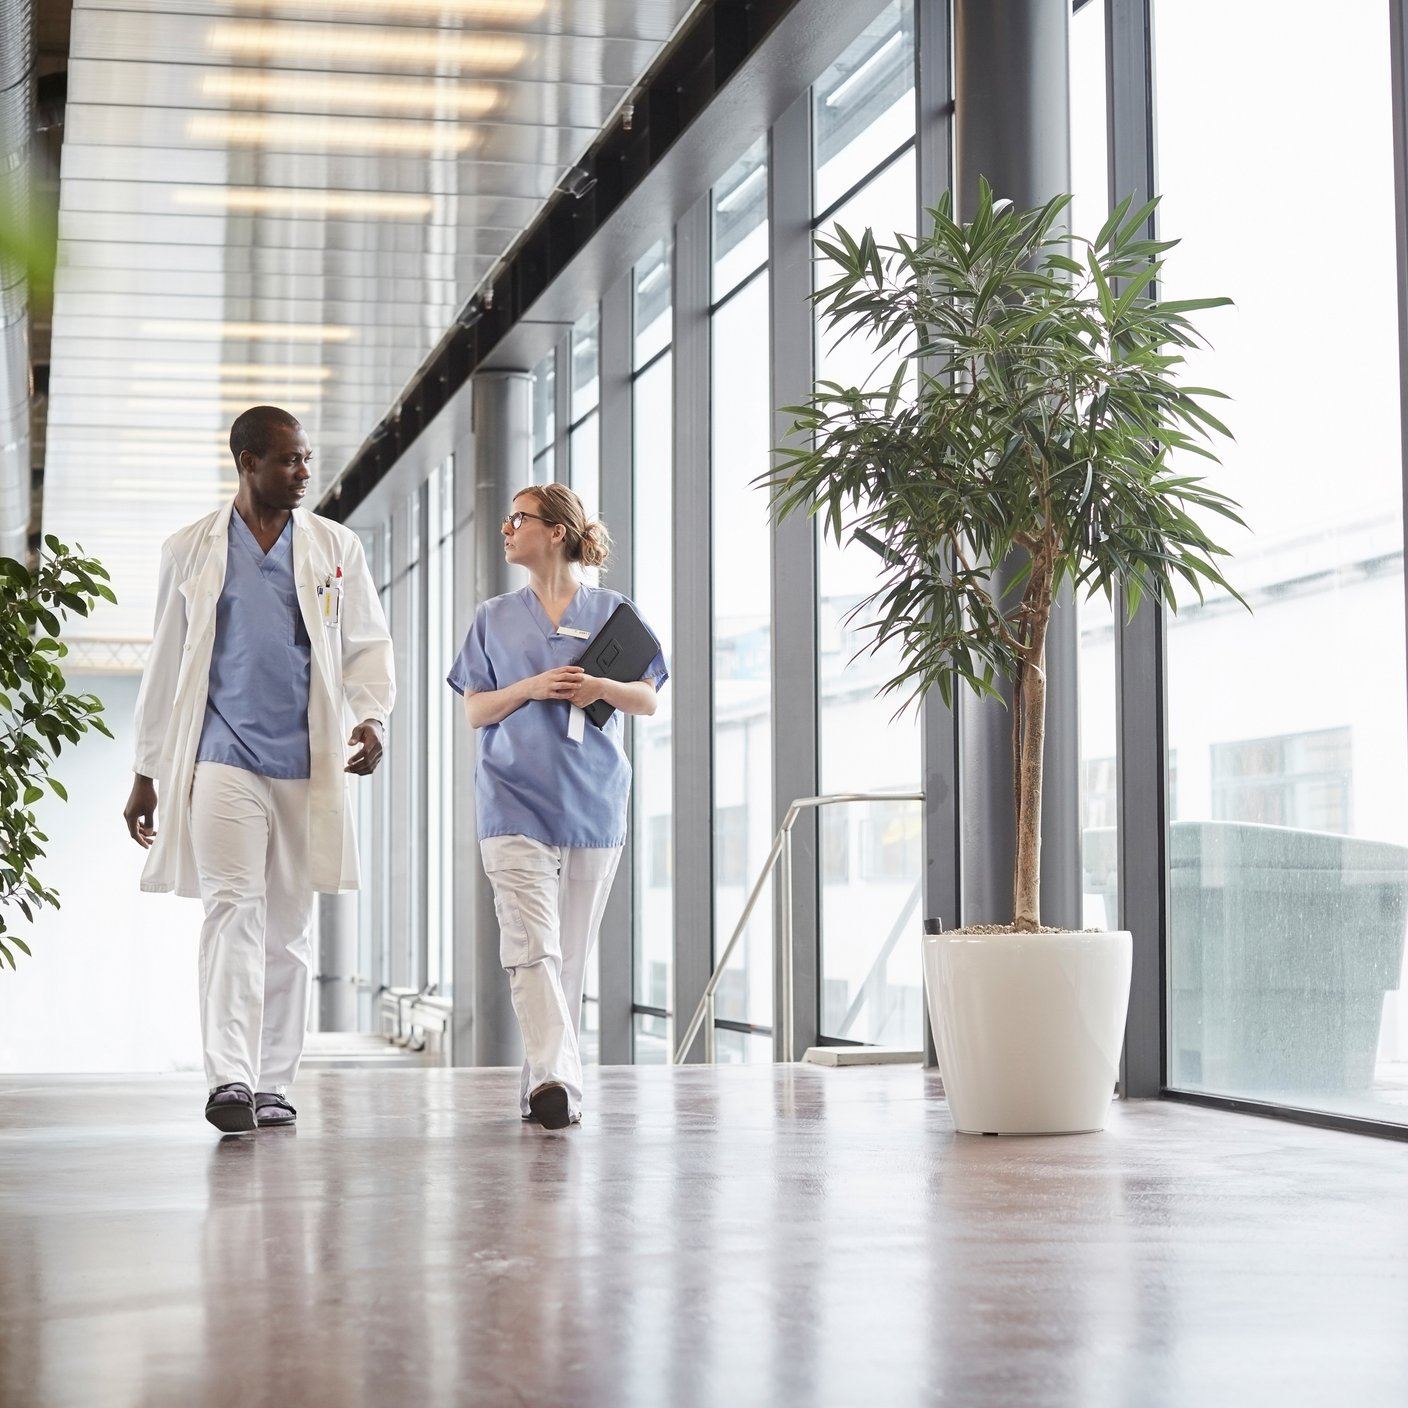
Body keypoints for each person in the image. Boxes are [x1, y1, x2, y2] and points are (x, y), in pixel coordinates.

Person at [122, 406, 395, 1133]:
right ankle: (231, 1079)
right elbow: (166, 662)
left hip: (307, 759)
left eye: (306, 459)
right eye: (288, 460)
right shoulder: (190, 549)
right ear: (246, 462)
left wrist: (372, 718)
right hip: (223, 755)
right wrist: (147, 770)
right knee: (231, 910)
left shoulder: (335, 546)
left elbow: (367, 646)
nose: (304, 472)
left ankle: (274, 1081)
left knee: (289, 928)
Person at [448, 484, 667, 1130]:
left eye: (518, 519)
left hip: (593, 802)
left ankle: (545, 1088)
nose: (506, 528)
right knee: (531, 946)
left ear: (557, 532)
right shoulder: (493, 617)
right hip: (511, 800)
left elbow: (648, 698)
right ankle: (556, 1080)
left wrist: (598, 686)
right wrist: (532, 686)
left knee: (567, 958)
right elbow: (476, 710)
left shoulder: (613, 611)